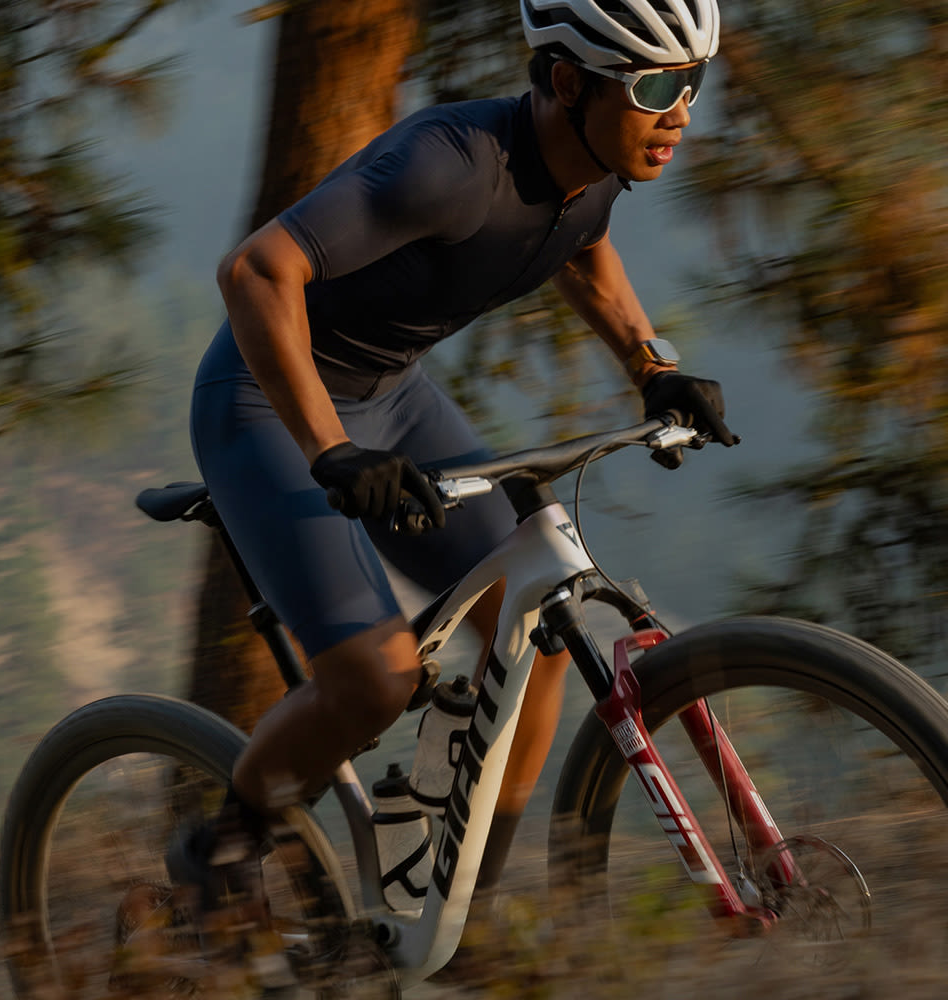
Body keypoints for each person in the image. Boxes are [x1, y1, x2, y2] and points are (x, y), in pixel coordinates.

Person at [169, 0, 740, 943]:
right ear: (568, 83)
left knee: (541, 626)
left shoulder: (597, 166)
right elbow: (255, 273)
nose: (680, 112)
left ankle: (455, 907)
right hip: (268, 405)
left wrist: (656, 368)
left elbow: (583, 248)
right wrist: (330, 452)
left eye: (692, 82)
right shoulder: (447, 165)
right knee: (376, 678)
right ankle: (219, 854)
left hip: (392, 398)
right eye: (654, 86)